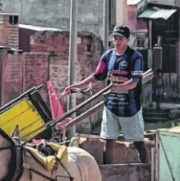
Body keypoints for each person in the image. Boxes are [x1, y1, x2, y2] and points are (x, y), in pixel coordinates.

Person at [63, 25, 153, 166]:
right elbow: (97, 76)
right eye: (115, 38)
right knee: (108, 141)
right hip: (111, 105)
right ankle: (108, 174)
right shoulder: (108, 56)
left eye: (120, 39)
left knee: (138, 142)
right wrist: (76, 87)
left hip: (130, 107)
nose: (117, 42)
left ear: (128, 40)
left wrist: (118, 88)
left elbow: (134, 82)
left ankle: (147, 171)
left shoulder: (135, 57)